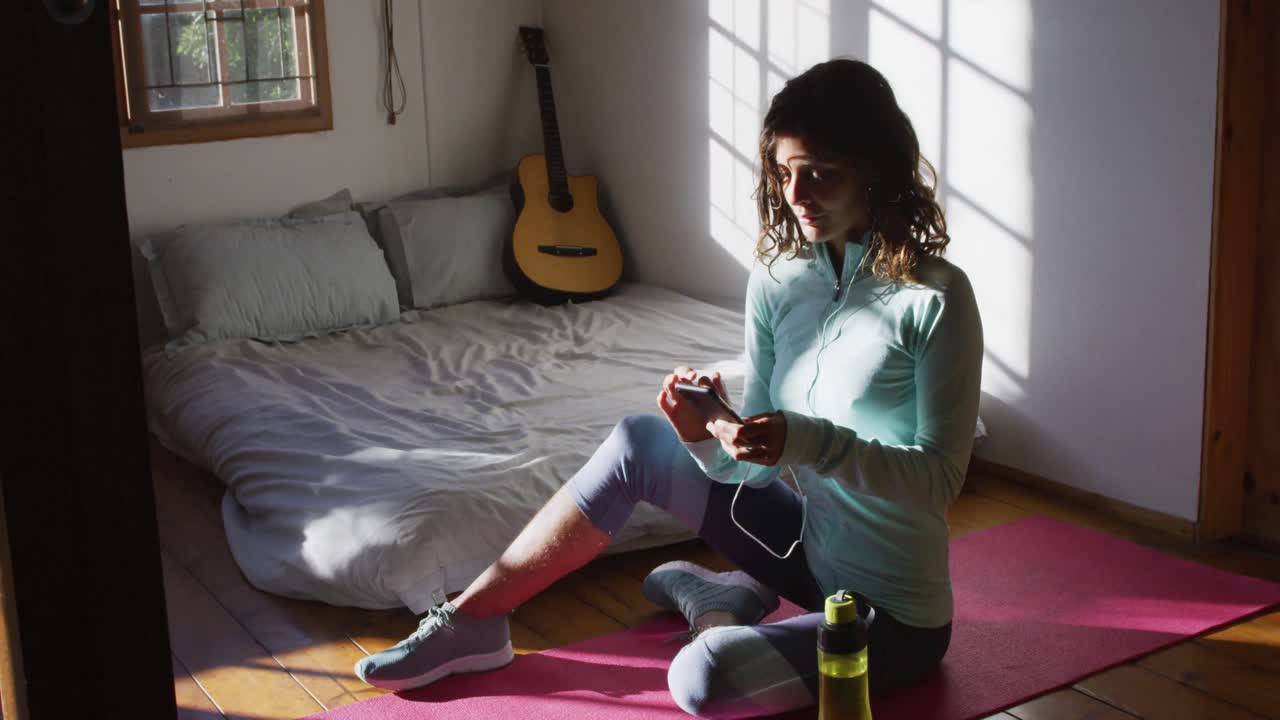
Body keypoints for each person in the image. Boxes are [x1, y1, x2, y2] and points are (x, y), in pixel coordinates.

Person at [354, 57, 983, 719]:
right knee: (639, 440)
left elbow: (940, 481)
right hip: (808, 554)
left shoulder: (934, 298)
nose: (797, 195)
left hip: (895, 614)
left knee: (702, 679)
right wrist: (707, 433)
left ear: (877, 170)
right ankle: (470, 620)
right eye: (785, 169)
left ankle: (720, 606)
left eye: (823, 173)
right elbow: (756, 473)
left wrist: (812, 443)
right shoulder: (778, 281)